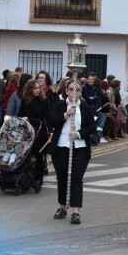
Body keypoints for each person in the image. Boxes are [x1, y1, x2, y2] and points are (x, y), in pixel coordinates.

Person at [49, 80, 96, 224]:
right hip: (61, 145)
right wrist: (65, 115)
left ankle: (76, 211)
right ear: (66, 91)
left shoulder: (85, 107)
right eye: (71, 89)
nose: (74, 92)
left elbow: (91, 127)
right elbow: (51, 122)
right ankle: (62, 207)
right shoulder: (60, 105)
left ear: (81, 92)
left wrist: (80, 134)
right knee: (62, 177)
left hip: (80, 146)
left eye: (77, 90)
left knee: (76, 178)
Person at [19, 78, 51, 185]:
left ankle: (39, 179)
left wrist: (50, 130)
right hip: (27, 130)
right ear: (30, 89)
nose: (37, 90)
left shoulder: (44, 100)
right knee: (27, 155)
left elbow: (48, 117)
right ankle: (27, 176)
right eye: (35, 88)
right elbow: (20, 114)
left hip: (40, 131)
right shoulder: (25, 100)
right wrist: (23, 118)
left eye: (38, 88)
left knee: (39, 156)